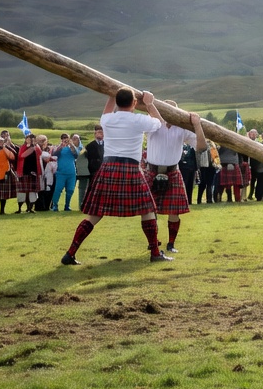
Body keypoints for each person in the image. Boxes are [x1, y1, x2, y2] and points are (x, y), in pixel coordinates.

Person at [61, 88, 172, 265]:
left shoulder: (107, 119)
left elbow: (107, 108)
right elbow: (159, 122)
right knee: (148, 210)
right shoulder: (139, 120)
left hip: (109, 167)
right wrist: (150, 103)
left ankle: (70, 253)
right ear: (135, 103)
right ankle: (155, 253)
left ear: (117, 102)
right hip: (131, 168)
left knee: (95, 214)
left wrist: (111, 91)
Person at [145, 105, 207, 254]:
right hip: (152, 171)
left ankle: (171, 244)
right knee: (149, 210)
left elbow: (202, 147)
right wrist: (150, 105)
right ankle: (153, 242)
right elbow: (154, 118)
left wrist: (197, 124)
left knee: (174, 211)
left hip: (173, 172)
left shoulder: (182, 128)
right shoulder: (152, 124)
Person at [15, 133, 43, 212]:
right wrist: (30, 148)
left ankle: (30, 208)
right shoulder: (23, 147)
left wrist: (34, 146)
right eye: (29, 138)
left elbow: (40, 153)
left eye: (32, 139)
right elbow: (22, 156)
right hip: (23, 172)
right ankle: (19, 208)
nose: (31, 140)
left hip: (33, 172)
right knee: (22, 191)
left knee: (32, 191)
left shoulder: (36, 147)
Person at [79, 126, 103, 206]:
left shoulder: (107, 144)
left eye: (102, 132)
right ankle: (89, 204)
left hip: (104, 169)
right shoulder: (90, 146)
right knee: (92, 188)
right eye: (99, 132)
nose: (101, 134)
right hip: (94, 170)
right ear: (95, 134)